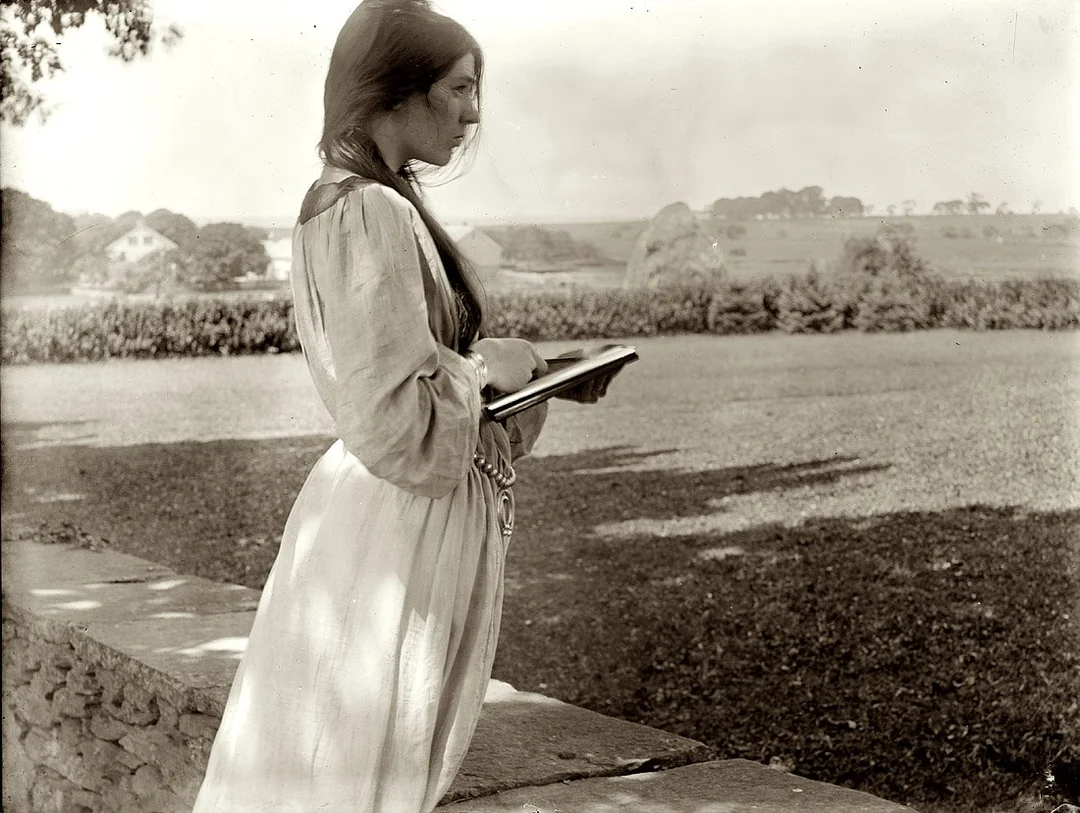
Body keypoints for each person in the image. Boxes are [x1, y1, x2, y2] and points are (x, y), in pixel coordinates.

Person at [192, 1, 613, 810]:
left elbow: (403, 376)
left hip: (379, 512)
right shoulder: (370, 209)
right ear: (397, 88)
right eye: (458, 88)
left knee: (334, 760)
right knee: (366, 769)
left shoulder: (343, 200)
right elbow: (399, 419)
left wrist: (529, 375)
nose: (473, 113)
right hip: (400, 525)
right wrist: (488, 366)